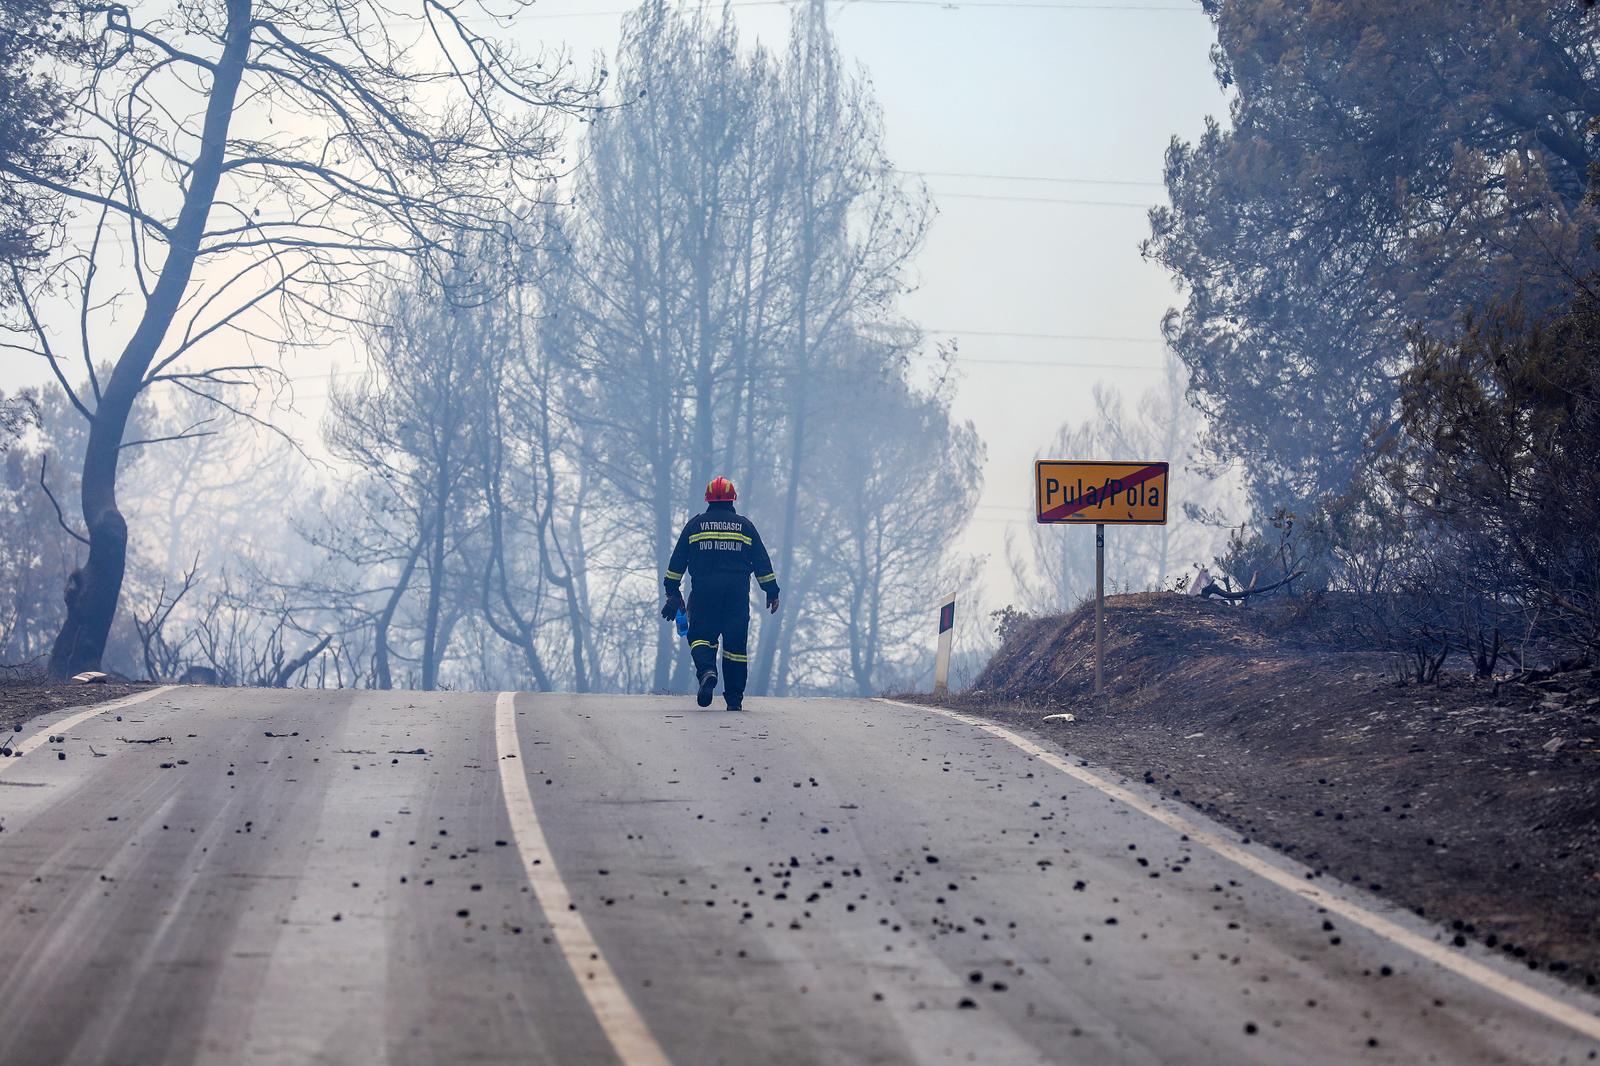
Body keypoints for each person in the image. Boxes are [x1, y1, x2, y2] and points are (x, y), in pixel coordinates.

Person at [661, 477, 780, 710]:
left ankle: (707, 670)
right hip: (736, 596)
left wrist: (672, 591)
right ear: (732, 499)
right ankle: (734, 699)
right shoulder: (744, 526)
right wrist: (771, 591)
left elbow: (677, 562)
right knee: (735, 647)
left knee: (700, 637)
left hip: (705, 594)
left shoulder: (695, 526)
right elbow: (761, 562)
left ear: (707, 499)